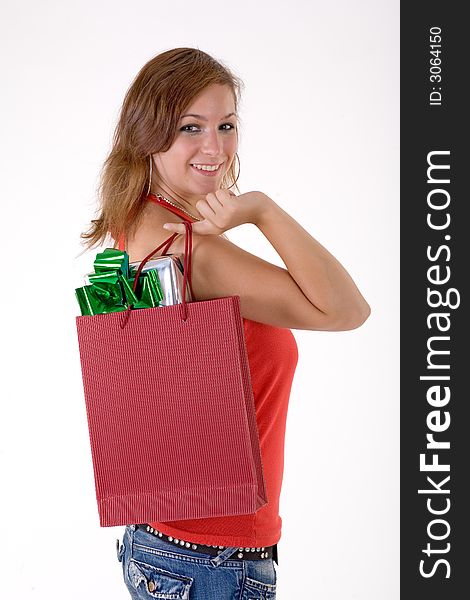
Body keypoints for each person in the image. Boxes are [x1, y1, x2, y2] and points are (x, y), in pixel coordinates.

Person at [81, 47, 370, 600]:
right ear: (149, 134)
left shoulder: (138, 222)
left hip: (161, 541)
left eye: (226, 125)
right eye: (191, 127)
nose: (214, 146)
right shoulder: (191, 250)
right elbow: (346, 310)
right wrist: (261, 209)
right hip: (215, 557)